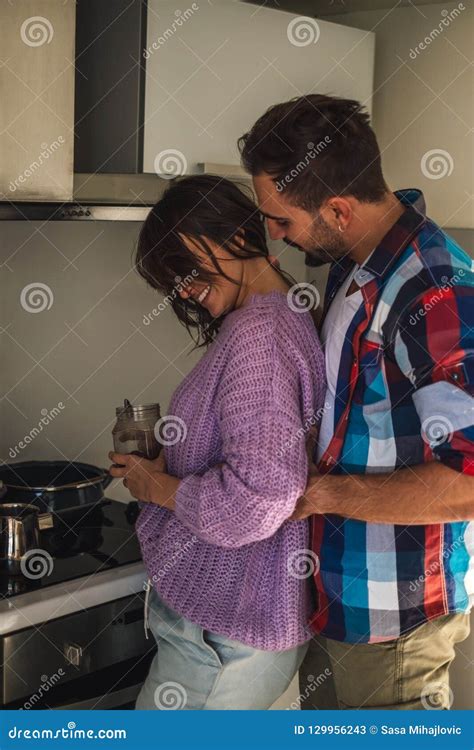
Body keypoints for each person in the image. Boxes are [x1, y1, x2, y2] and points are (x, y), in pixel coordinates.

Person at [239, 94, 474, 710]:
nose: (275, 236)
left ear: (339, 208)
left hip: (396, 620)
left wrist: (320, 495)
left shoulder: (435, 290)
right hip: (339, 602)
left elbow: (470, 481)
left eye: (282, 221)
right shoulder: (356, 265)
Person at [108, 175, 326, 710]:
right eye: (171, 281)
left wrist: (158, 487)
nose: (181, 289)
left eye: (183, 270)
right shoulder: (276, 315)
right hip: (231, 622)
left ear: (232, 237)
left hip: (224, 629)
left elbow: (259, 499)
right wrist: (175, 462)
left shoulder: (259, 337)